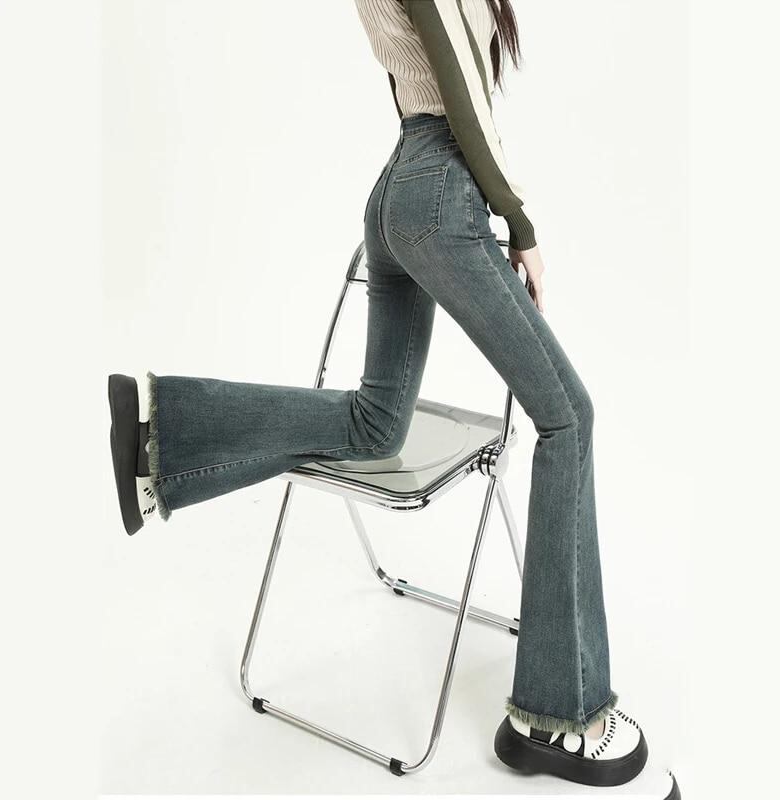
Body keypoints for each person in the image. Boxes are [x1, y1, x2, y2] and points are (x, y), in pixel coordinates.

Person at [107, 1, 678, 795]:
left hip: (401, 187)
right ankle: (559, 716)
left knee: (375, 424)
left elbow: (417, 73)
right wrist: (517, 221)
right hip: (438, 186)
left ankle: (163, 427)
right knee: (568, 418)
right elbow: (458, 86)